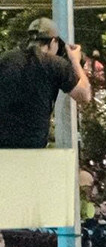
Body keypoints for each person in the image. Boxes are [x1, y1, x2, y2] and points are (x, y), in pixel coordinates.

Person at [0, 17, 91, 149]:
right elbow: (84, 95)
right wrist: (75, 61)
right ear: (53, 41)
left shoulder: (5, 59)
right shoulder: (56, 65)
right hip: (34, 147)